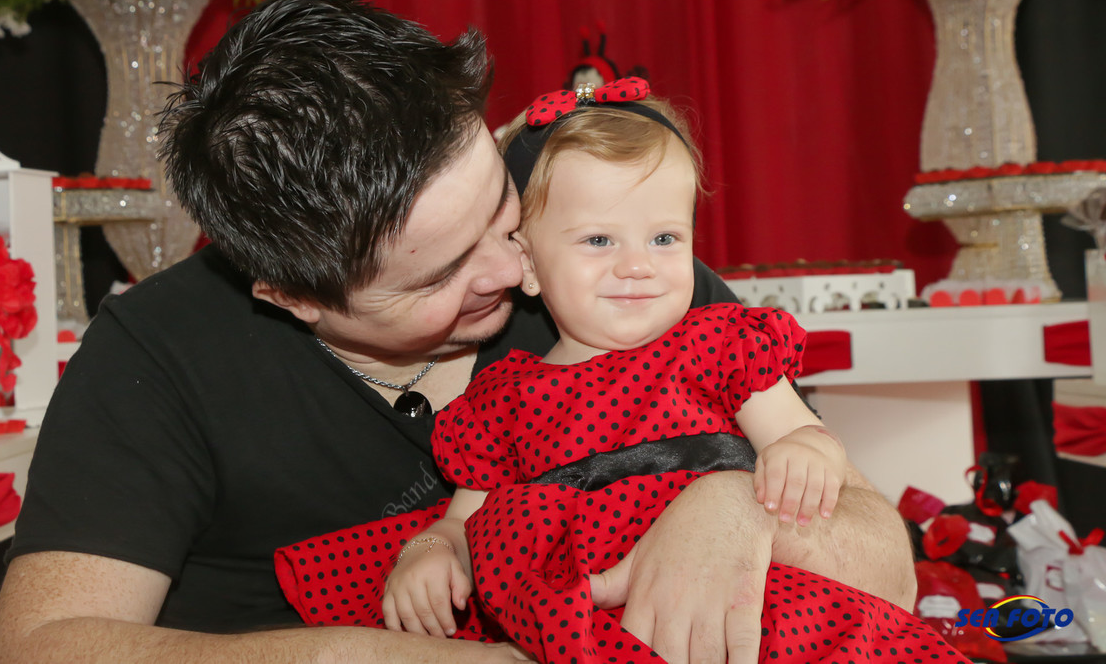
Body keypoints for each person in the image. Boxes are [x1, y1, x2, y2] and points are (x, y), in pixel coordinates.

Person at [0, 0, 915, 664]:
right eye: (440, 274)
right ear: (293, 294)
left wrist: (732, 504)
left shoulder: (612, 275)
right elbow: (37, 646)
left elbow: (888, 566)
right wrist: (347, 654)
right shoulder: (162, 354)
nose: (513, 271)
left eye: (500, 209)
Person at [288, 81, 964, 663]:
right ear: (526, 264)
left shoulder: (717, 342)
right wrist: (431, 549)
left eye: (664, 237)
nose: (637, 264)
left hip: (752, 602)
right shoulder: (504, 399)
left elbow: (801, 436)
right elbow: (465, 519)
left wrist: (807, 453)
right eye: (598, 240)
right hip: (588, 620)